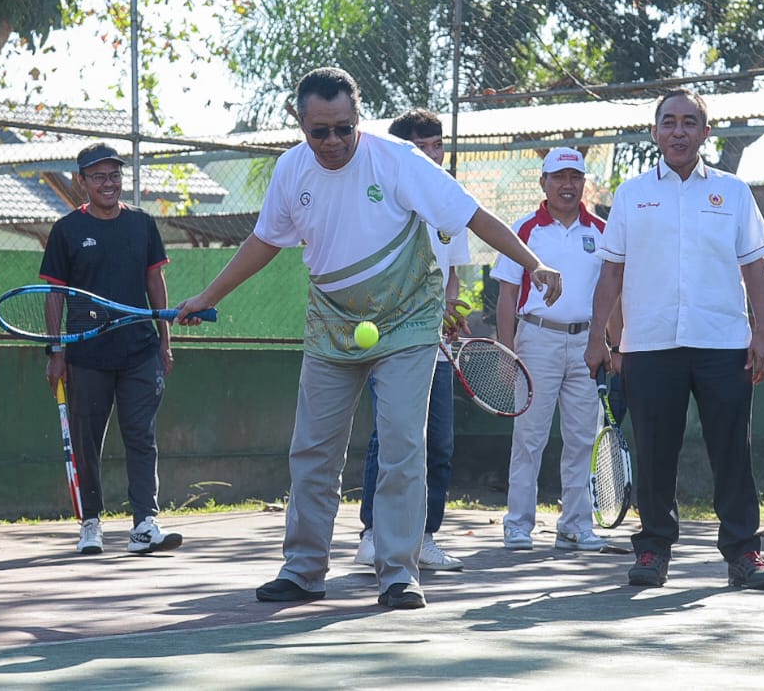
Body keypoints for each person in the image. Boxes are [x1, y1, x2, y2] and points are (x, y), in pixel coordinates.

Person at [174, 67, 562, 610]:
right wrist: (208, 296)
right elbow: (264, 242)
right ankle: (304, 569)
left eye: (343, 128)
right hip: (332, 321)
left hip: (408, 319)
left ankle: (398, 573)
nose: (332, 142)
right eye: (319, 131)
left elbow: (473, 215)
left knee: (403, 444)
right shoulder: (291, 171)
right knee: (311, 449)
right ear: (300, 122)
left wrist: (534, 263)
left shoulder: (398, 159)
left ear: (359, 119)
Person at [585, 88, 764, 590]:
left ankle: (743, 554)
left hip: (723, 343)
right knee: (654, 452)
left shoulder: (734, 192)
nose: (678, 131)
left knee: (732, 450)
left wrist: (762, 334)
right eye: (668, 122)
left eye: (689, 122)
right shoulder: (631, 194)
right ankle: (652, 551)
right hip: (648, 344)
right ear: (655, 132)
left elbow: (755, 268)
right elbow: (610, 274)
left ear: (705, 133)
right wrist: (598, 340)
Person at [40, 142, 182, 556]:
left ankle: (144, 526)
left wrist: (164, 341)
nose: (108, 183)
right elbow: (54, 296)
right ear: (81, 182)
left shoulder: (142, 225)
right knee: (87, 441)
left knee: (141, 436)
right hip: (85, 356)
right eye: (98, 176)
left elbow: (155, 283)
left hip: (140, 351)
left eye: (115, 175)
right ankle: (91, 523)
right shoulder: (66, 230)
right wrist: (56, 351)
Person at [354, 110, 471, 572]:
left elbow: (453, 278)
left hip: (435, 343)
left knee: (437, 442)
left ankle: (423, 536)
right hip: (390, 339)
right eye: (420, 146)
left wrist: (450, 310)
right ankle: (372, 534)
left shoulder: (452, 203)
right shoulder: (381, 199)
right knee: (392, 436)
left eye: (436, 144)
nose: (431, 153)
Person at [493, 147, 609, 552]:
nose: (567, 185)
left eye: (574, 177)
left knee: (582, 439)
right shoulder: (524, 230)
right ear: (543, 182)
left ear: (584, 183)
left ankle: (576, 525)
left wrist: (611, 344)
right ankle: (518, 524)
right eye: (558, 177)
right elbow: (507, 297)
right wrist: (505, 353)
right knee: (529, 437)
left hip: (587, 343)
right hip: (536, 339)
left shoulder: (601, 231)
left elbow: (611, 295)